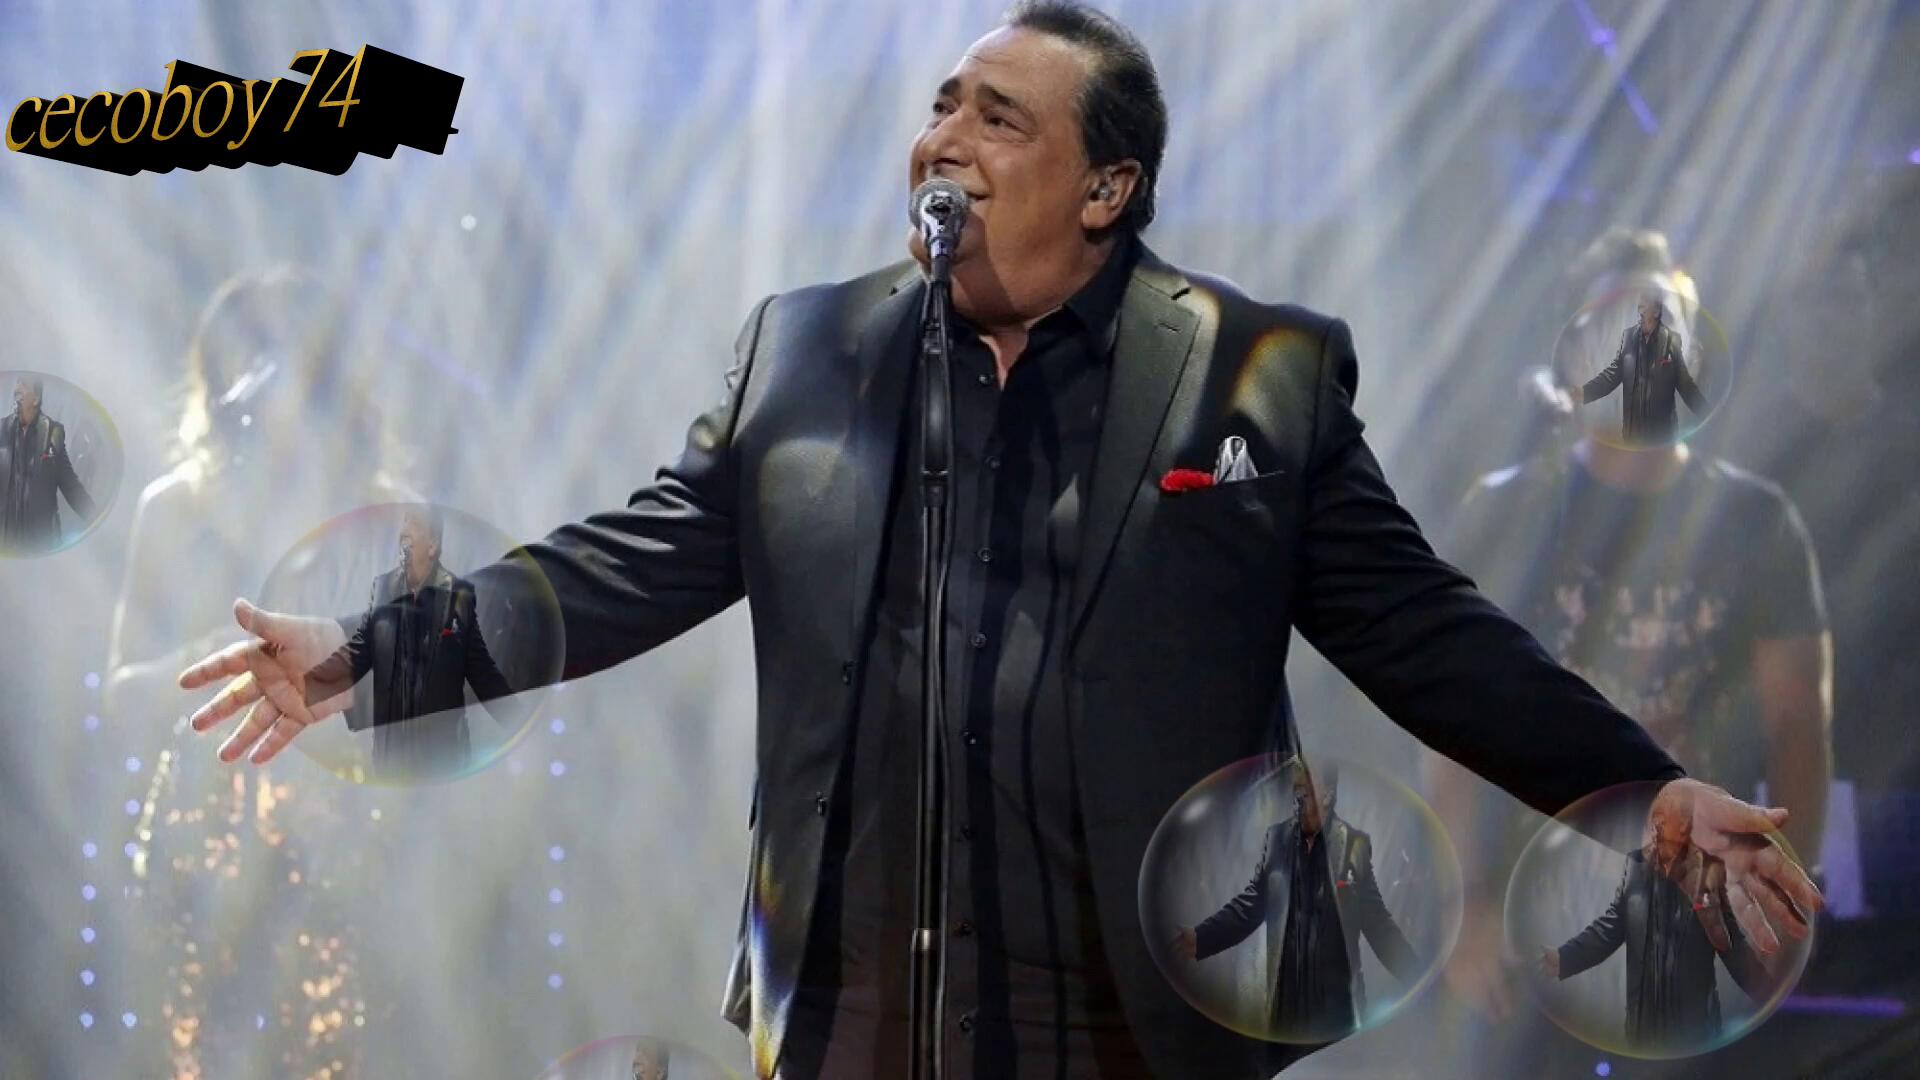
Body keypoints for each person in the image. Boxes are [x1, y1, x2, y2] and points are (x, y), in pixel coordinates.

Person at [173, 6, 1820, 1078]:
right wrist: (372, 652)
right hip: (860, 1003)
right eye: (940, 105)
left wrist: (1635, 781)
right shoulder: (811, 351)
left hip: (1144, 1006)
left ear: (1107, 189)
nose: (943, 137)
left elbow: (1424, 631)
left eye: (1000, 119)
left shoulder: (1252, 372)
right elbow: (631, 559)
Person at [1427, 227, 1832, 1072]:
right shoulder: (1505, 516)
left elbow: (1799, 729)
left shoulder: (1757, 523)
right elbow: (1449, 722)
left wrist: (1787, 904)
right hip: (1529, 919)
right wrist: (1462, 907)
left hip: (1702, 913)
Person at [105, 266, 414, 1078]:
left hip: (348, 845)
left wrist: (340, 664)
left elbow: (441, 687)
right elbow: (119, 690)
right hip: (204, 842)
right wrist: (210, 656)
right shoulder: (175, 509)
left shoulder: (391, 522)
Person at [1174, 761, 1422, 1042]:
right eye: (1296, 788)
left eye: (1306, 789)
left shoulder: (1355, 847)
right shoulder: (1276, 839)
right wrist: (1201, 938)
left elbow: (1380, 926)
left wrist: (1417, 976)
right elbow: (1250, 906)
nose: (1298, 795)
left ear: (1327, 795)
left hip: (1338, 1016)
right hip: (1285, 1015)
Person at [1539, 796, 1774, 1055]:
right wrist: (1564, 958)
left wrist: (1768, 992)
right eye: (1656, 821)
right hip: (1643, 1032)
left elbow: (1732, 944)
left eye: (1667, 821)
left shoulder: (1708, 869)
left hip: (1695, 1030)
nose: (1658, 829)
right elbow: (1610, 928)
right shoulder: (1635, 866)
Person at [307, 504, 519, 780]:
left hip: (444, 758)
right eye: (404, 523)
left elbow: (481, 671)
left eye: (414, 524)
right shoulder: (383, 587)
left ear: (432, 545)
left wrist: (515, 718)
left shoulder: (458, 594)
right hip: (391, 759)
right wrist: (307, 687)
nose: (404, 531)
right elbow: (359, 651)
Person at [1577, 288, 1709, 447]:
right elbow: (1612, 375)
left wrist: (1703, 410)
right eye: (1642, 309)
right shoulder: (1629, 337)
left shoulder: (1671, 341)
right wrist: (1584, 393)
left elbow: (1684, 382)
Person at [0, 374, 98, 553]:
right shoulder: (2, 430)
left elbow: (71, 486)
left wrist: (96, 520)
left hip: (42, 546)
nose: (17, 389)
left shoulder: (52, 433)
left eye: (24, 385)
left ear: (36, 399)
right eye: (17, 384)